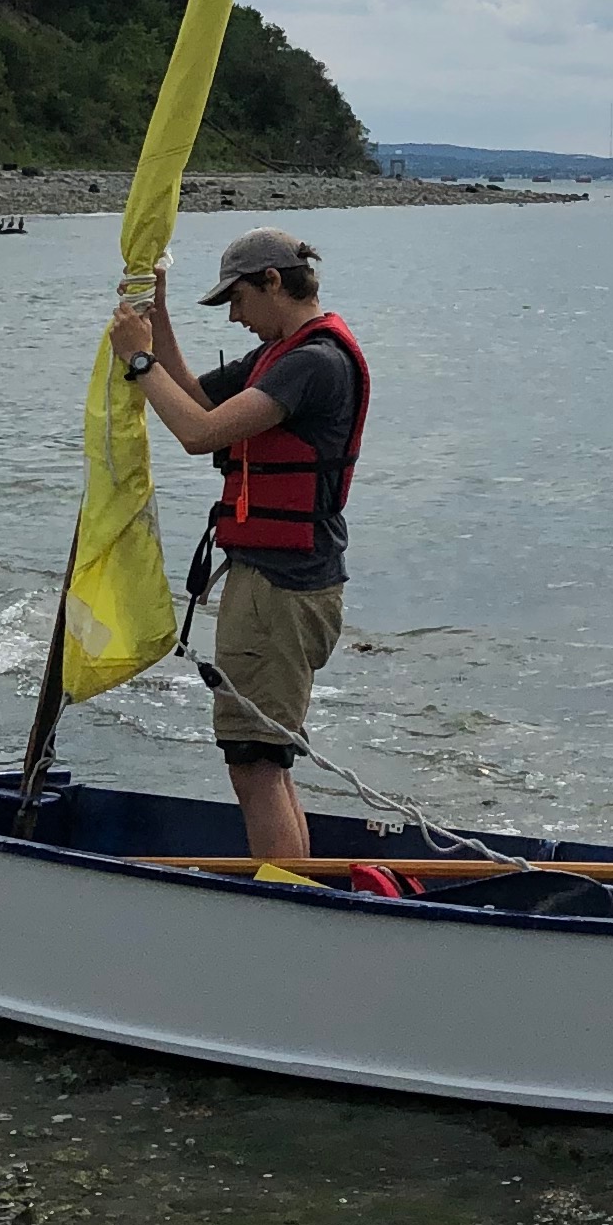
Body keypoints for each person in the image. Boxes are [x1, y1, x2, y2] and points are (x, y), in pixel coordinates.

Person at [108, 226, 369, 865]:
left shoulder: (312, 362)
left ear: (273, 282)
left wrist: (138, 363)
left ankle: (283, 903)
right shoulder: (282, 353)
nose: (234, 316)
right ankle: (293, 886)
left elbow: (197, 432)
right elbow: (195, 395)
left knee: (254, 760)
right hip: (282, 579)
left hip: (283, 587)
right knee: (266, 756)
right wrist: (157, 314)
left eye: (238, 299)